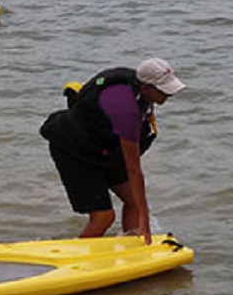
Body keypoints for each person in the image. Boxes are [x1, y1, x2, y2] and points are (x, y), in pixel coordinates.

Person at [39, 58, 185, 243]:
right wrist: (145, 219)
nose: (169, 95)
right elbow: (133, 168)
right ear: (146, 87)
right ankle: (78, 255)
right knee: (104, 217)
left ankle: (133, 244)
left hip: (103, 148)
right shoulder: (126, 110)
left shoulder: (138, 87)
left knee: (134, 201)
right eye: (164, 91)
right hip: (73, 150)